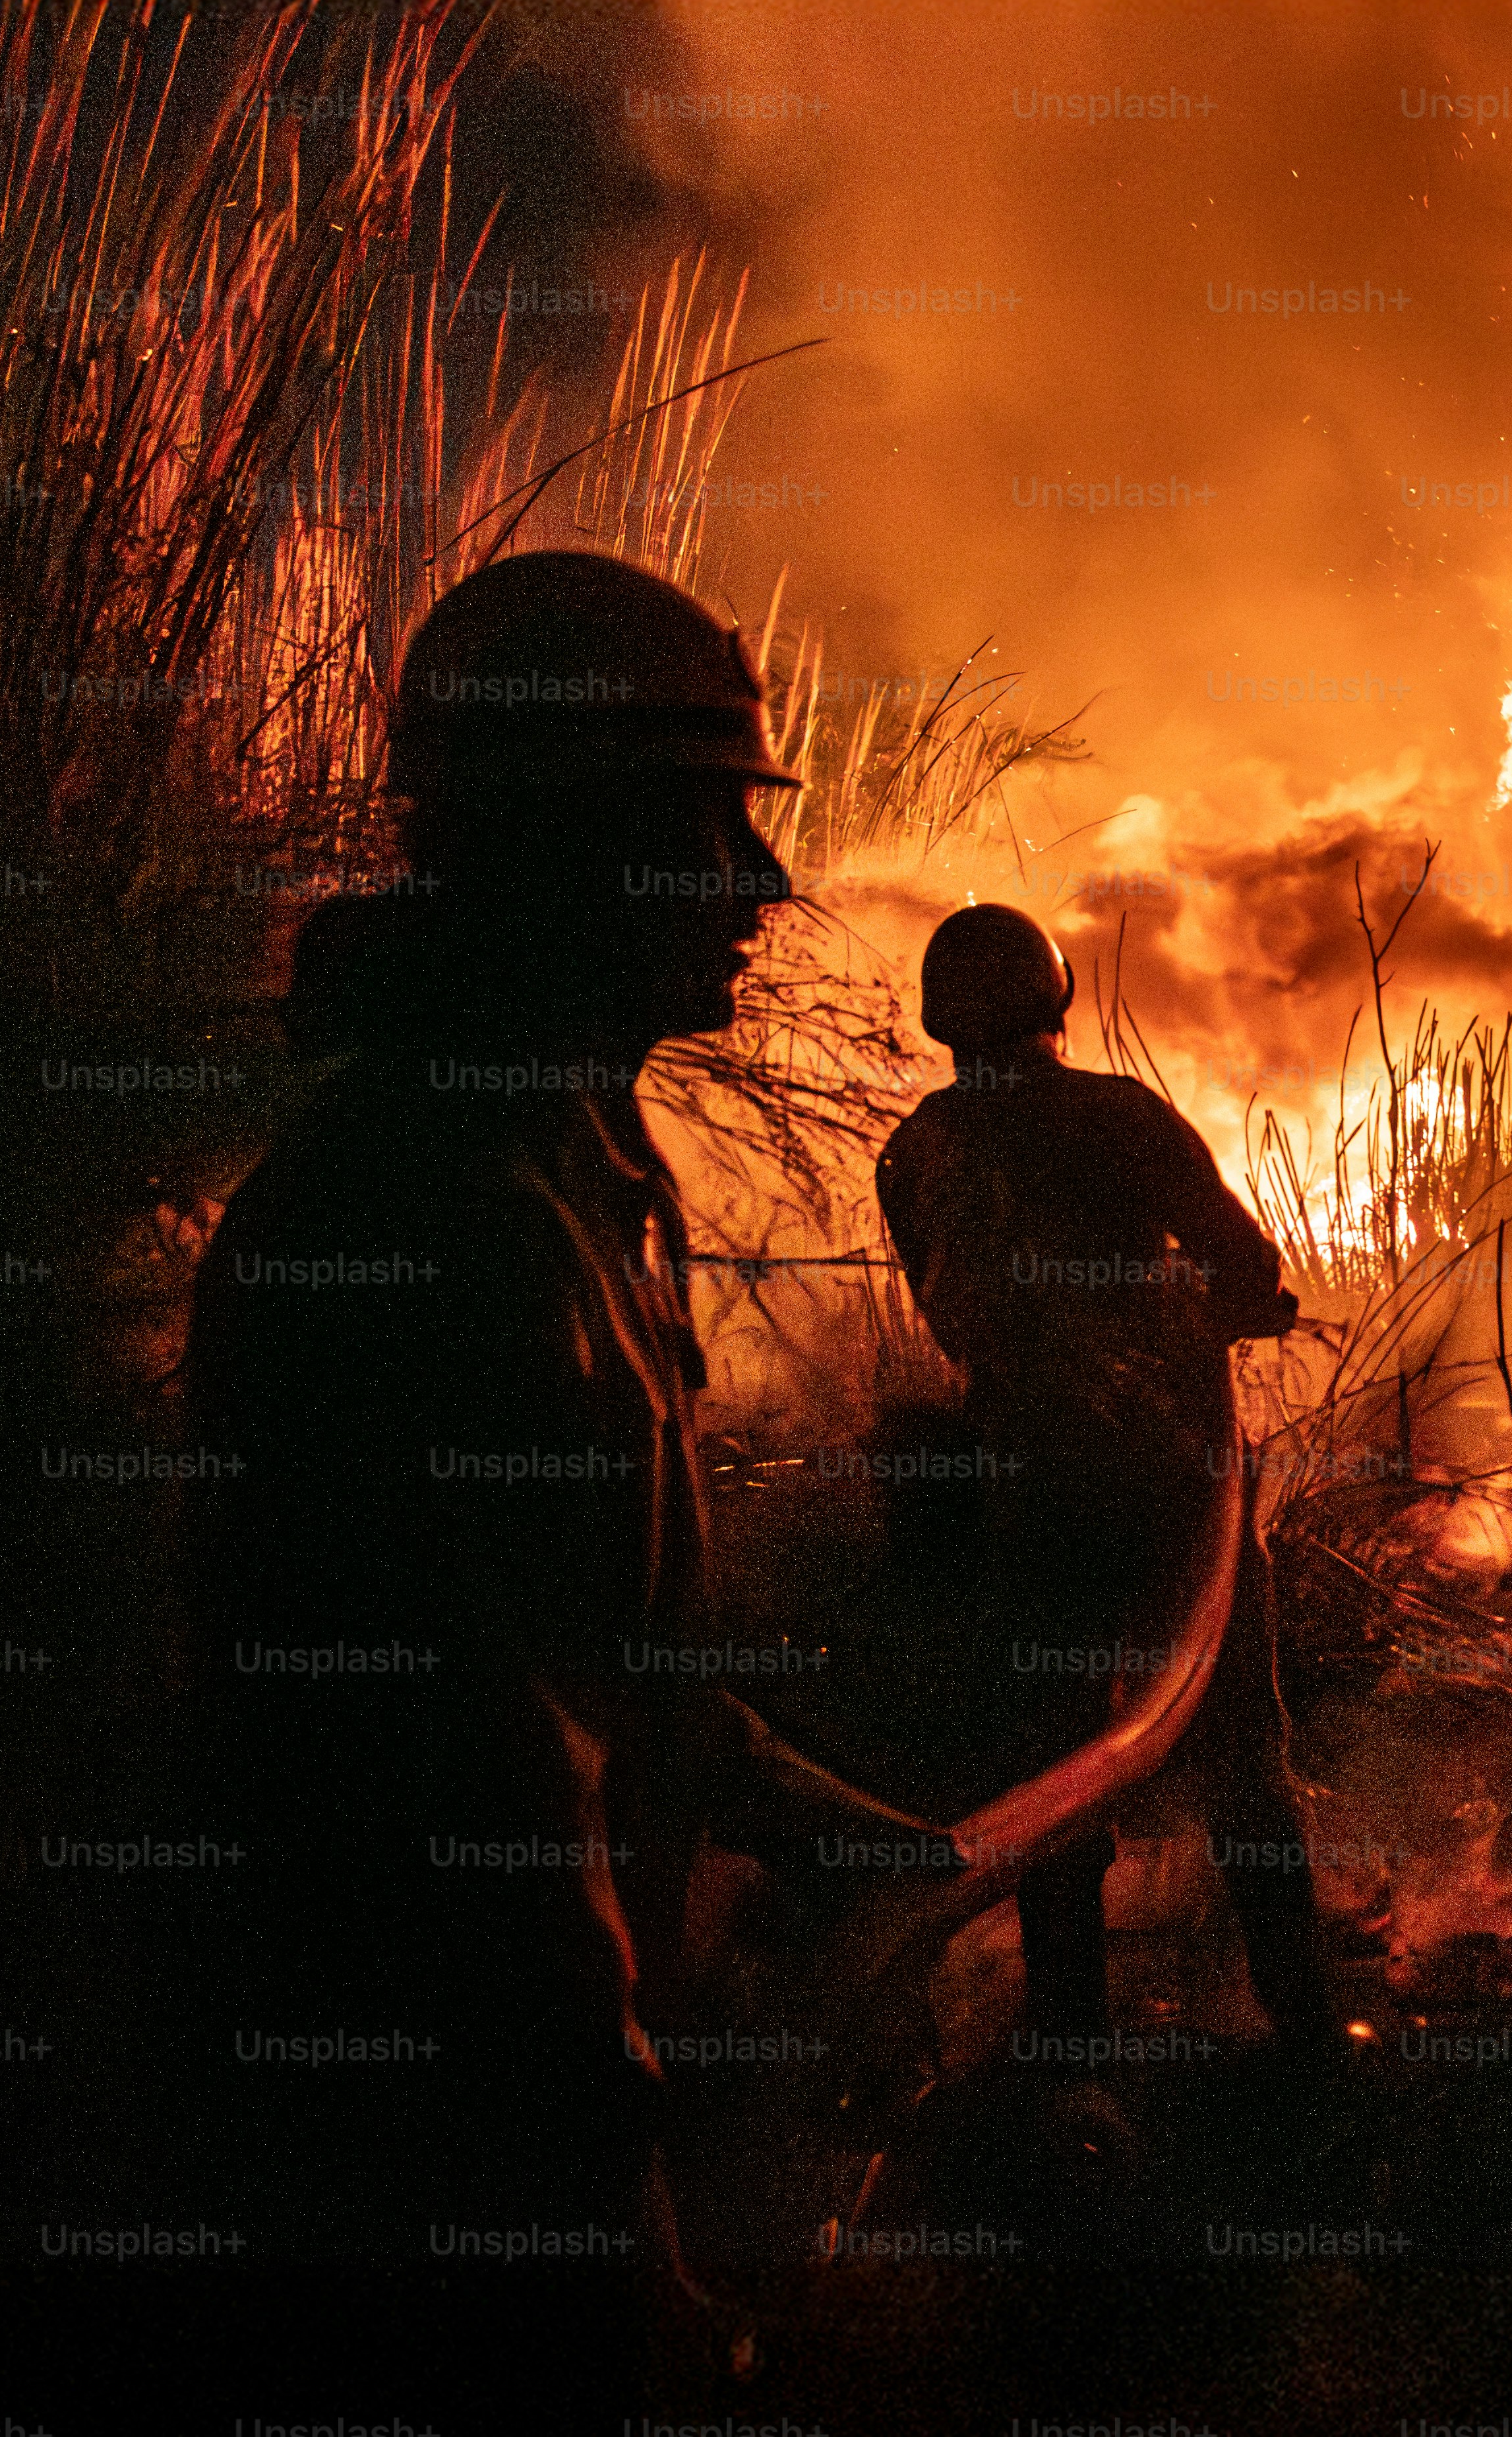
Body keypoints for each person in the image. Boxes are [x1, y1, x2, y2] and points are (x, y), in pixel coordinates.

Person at [178, 550, 940, 2404]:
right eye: (706, 829)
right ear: (566, 848)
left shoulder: (579, 1157)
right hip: (430, 2178)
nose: (760, 888)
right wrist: (611, 2240)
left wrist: (822, 1819)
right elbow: (479, 1831)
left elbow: (605, 1647)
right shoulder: (426, 1222)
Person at [872, 904, 1333, 2069]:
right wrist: (1210, 1309)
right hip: (1178, 1481)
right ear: (1056, 996)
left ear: (943, 1020)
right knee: (1241, 1754)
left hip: (1027, 1492)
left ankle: (1070, 2044)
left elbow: (955, 1313)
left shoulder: (914, 1151)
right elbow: (1248, 1266)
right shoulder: (1119, 1116)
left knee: (1056, 1770)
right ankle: (1307, 2023)